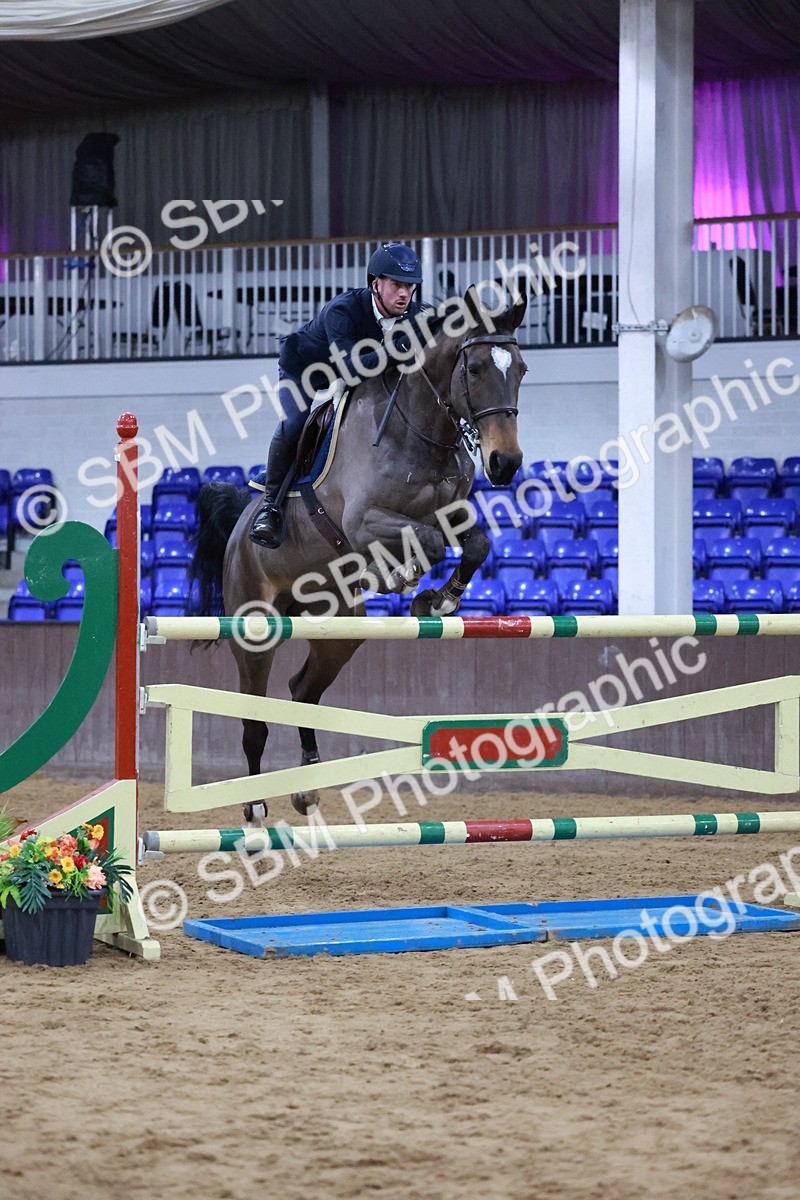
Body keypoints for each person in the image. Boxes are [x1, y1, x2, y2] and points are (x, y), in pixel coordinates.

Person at [249, 241, 423, 548]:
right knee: (294, 426)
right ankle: (270, 508)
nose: (404, 294)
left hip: (355, 375)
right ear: (375, 283)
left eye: (409, 287)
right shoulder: (342, 310)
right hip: (305, 369)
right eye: (396, 285)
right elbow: (352, 369)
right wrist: (397, 350)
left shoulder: (415, 314)